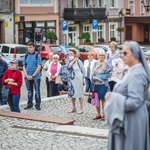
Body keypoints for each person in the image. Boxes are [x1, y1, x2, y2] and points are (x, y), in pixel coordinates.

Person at [105, 41, 150, 150]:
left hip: (132, 121)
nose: (121, 55)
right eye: (121, 53)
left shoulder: (137, 74)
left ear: (135, 54)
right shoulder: (132, 71)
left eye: (125, 53)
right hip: (127, 118)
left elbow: (135, 101)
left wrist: (113, 99)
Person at [23, 42, 42, 110]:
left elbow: (39, 67)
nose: (29, 49)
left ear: (34, 47)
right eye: (28, 47)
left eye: (30, 47)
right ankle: (29, 104)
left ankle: (38, 104)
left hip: (36, 77)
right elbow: (24, 66)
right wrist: (26, 75)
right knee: (29, 91)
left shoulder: (37, 55)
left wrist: (33, 76)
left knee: (37, 91)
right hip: (27, 76)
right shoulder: (26, 55)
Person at [92, 50, 110, 120]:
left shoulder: (107, 64)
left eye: (102, 55)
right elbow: (93, 72)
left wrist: (99, 77)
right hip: (95, 84)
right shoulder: (95, 63)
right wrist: (92, 77)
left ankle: (104, 115)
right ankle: (98, 114)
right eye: (100, 55)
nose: (101, 57)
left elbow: (108, 75)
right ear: (97, 56)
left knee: (103, 100)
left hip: (103, 84)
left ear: (104, 56)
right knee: (96, 99)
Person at [67, 49, 85, 114]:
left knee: (79, 94)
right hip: (71, 79)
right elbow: (68, 67)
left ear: (74, 54)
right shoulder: (68, 61)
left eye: (71, 54)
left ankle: (81, 108)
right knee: (72, 94)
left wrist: (82, 78)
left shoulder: (79, 61)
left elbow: (83, 70)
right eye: (69, 54)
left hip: (78, 79)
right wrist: (73, 61)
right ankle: (73, 107)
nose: (70, 55)